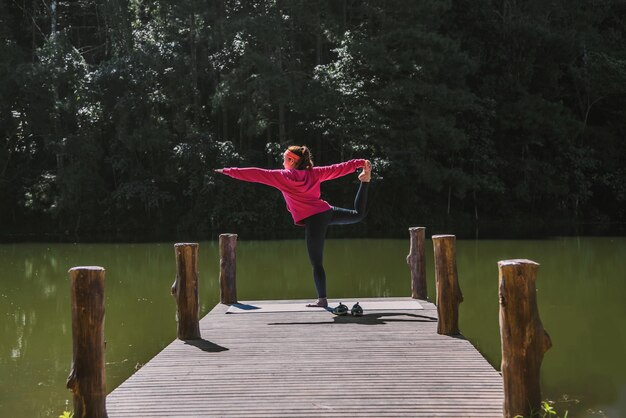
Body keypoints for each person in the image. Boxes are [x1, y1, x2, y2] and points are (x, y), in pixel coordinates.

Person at [215, 145, 371, 308]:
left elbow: (255, 174)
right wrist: (359, 163)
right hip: (326, 212)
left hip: (314, 219)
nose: (282, 162)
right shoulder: (314, 173)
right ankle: (365, 181)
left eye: (284, 158)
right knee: (357, 215)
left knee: (316, 262)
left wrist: (227, 171)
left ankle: (322, 300)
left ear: (292, 161)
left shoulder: (283, 177)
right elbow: (338, 168)